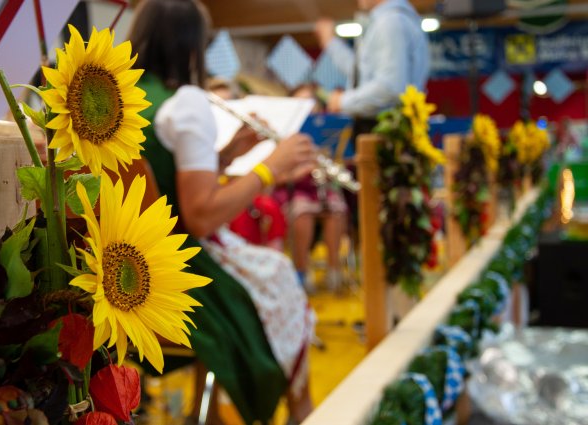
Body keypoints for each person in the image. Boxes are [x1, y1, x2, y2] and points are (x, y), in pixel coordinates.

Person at [127, 1, 317, 423]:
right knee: (280, 276)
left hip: (133, 263)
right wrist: (272, 166)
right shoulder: (188, 102)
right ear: (192, 45)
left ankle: (209, 412)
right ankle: (300, 411)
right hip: (183, 271)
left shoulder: (128, 99)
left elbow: (158, 177)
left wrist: (226, 155)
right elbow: (200, 215)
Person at [315, 0, 430, 135]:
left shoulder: (389, 22)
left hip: (385, 130)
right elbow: (362, 71)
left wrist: (343, 101)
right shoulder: (390, 20)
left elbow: (390, 88)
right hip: (388, 128)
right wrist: (330, 43)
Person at [281, 83, 349, 292]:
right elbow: (277, 174)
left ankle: (334, 270)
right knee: (302, 213)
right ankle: (302, 271)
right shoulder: (284, 133)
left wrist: (330, 167)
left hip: (321, 188)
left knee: (336, 208)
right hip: (294, 189)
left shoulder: (327, 135)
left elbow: (341, 164)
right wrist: (299, 172)